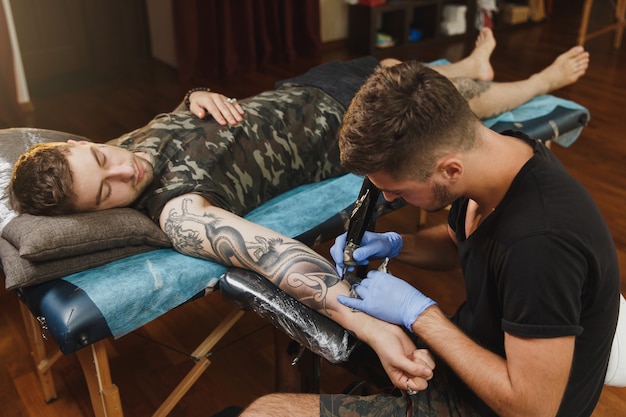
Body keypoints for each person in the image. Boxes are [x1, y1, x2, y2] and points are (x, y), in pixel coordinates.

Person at [10, 29, 595, 411]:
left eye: (102, 158)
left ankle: (471, 61)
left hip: (312, 89)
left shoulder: (132, 139)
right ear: (94, 212)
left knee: (407, 70)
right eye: (106, 192)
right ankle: (536, 82)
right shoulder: (176, 211)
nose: (123, 173)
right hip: (334, 131)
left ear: (91, 142)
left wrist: (195, 92)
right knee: (460, 99)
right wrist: (373, 320)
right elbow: (271, 253)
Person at [238, 42, 619, 417]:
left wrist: (420, 314)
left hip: (506, 402)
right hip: (476, 358)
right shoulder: (501, 158)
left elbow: (534, 408)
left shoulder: (540, 243)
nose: (386, 197)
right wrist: (396, 244)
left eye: (397, 190)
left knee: (266, 412)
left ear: (449, 169)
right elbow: (461, 244)